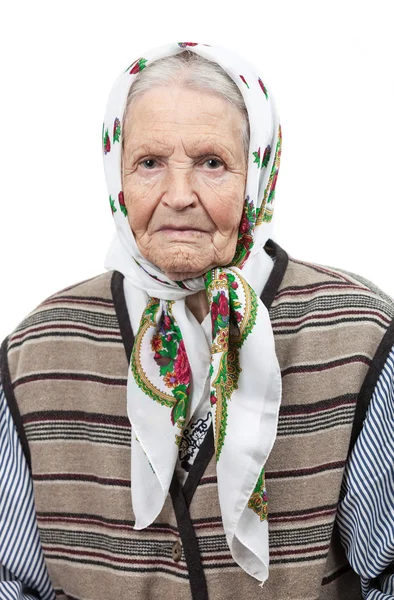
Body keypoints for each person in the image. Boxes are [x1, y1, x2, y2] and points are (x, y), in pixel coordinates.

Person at [0, 41, 393, 600]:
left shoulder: (359, 337)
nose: (178, 196)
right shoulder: (40, 349)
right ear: (118, 177)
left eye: (211, 163)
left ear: (258, 173)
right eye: (150, 163)